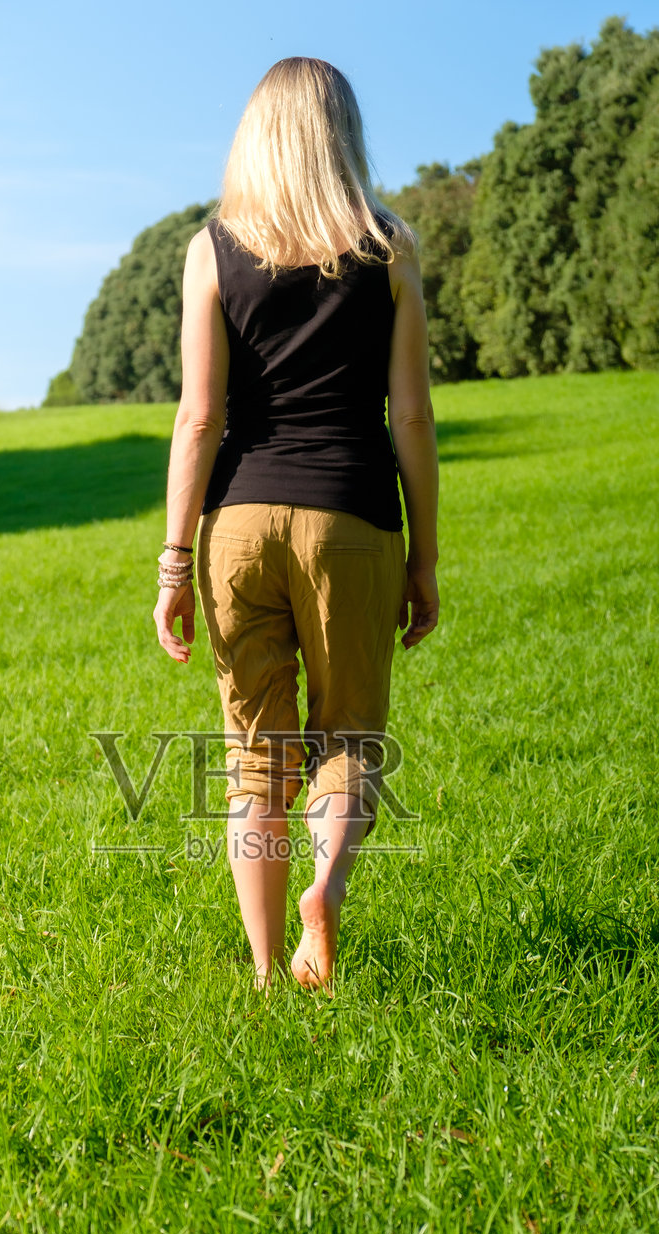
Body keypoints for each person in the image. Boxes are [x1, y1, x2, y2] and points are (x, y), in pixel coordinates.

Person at [153, 56, 439, 991]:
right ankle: (327, 887)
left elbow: (198, 416)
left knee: (254, 766)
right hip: (353, 514)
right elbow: (412, 418)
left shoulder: (211, 248)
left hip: (239, 521)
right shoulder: (389, 246)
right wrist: (424, 558)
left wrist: (172, 561)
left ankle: (270, 971)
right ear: (342, 136)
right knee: (348, 738)